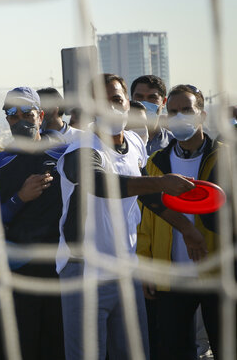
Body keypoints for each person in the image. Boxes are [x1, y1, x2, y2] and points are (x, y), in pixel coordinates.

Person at [56, 74, 208, 360]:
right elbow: (102, 186)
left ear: (128, 103)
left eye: (116, 99)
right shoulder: (82, 150)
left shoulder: (136, 144)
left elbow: (146, 196)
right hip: (85, 271)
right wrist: (163, 183)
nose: (110, 108)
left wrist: (186, 228)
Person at [136, 85, 224, 360]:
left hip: (218, 275)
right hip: (171, 278)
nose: (179, 116)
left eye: (187, 110)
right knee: (175, 350)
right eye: (173, 111)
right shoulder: (156, 163)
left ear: (202, 115)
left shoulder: (226, 158)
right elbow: (146, 220)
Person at [0, 86, 66, 359]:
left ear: (41, 115)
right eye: (11, 113)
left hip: (61, 267)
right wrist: (19, 198)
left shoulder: (66, 154)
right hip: (20, 270)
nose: (19, 119)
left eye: (27, 112)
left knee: (59, 344)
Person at [131, 75, 174, 155]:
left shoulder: (173, 143)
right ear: (132, 99)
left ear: (164, 102)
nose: (145, 103)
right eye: (139, 97)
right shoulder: (121, 140)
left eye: (152, 97)